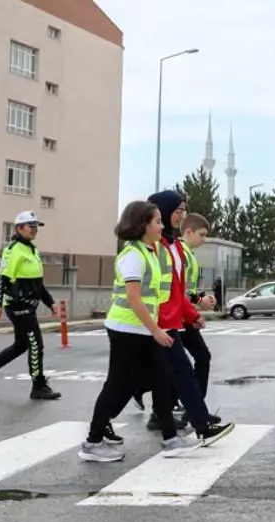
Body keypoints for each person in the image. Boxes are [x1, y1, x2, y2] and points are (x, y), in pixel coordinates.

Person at [80, 200, 196, 461]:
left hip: (142, 329)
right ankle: (92, 442)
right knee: (116, 386)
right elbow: (134, 298)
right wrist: (156, 330)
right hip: (126, 330)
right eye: (157, 221)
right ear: (143, 225)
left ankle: (170, 438)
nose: (161, 225)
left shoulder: (149, 251)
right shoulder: (133, 255)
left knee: (162, 378)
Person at [141, 192, 233, 444]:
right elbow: (154, 291)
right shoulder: (155, 247)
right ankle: (97, 433)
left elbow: (177, 291)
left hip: (171, 320)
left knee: (177, 371)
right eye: (177, 210)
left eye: (184, 211)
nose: (181, 216)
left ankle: (195, 422)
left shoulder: (172, 246)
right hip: (152, 323)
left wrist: (192, 314)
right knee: (130, 381)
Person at [0, 211, 61, 400]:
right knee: (36, 344)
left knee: (21, 345)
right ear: (19, 228)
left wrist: (50, 302)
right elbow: (1, 279)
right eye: (30, 226)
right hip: (18, 306)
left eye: (36, 227)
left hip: (29, 305)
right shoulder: (13, 250)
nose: (34, 230)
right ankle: (38, 385)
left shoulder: (32, 250)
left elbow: (37, 283)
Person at [177, 210, 225, 427]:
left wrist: (201, 299)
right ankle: (194, 410)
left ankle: (193, 409)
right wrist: (196, 310)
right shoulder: (181, 254)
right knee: (193, 362)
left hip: (184, 315)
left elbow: (186, 290)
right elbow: (177, 292)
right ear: (189, 231)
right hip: (180, 317)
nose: (204, 240)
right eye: (202, 235)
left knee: (185, 364)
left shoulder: (187, 254)